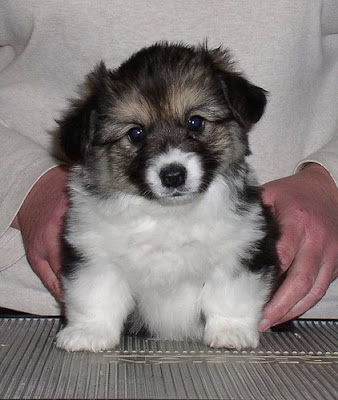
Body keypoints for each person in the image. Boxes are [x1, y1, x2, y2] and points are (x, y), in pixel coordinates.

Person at [1, 1, 337, 332]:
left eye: (195, 123)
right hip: (31, 308)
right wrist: (22, 181)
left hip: (299, 309)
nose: (170, 160)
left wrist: (330, 181)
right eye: (135, 134)